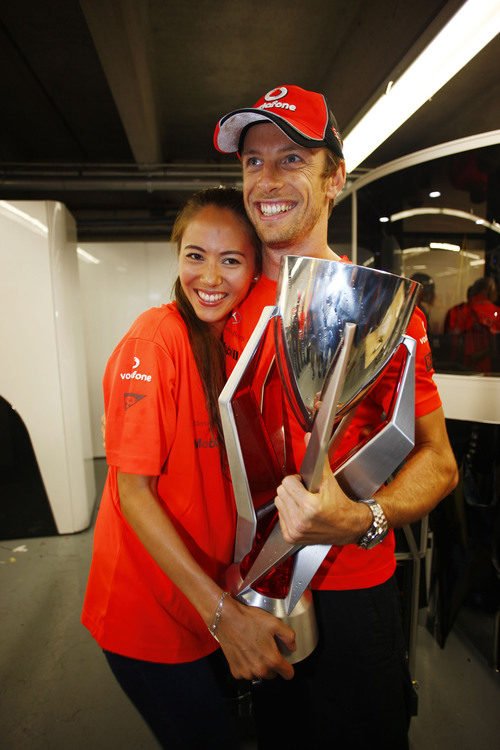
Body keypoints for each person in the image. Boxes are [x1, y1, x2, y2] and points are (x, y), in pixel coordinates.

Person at [213, 85, 459, 748]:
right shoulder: (216, 303)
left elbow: (438, 460)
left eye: (290, 158)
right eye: (252, 161)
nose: (266, 179)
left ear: (335, 179)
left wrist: (363, 517)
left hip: (354, 595)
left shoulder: (385, 312)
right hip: (249, 593)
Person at [81, 187, 297, 750]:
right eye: (195, 255)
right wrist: (224, 614)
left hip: (196, 602)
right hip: (147, 614)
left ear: (254, 270)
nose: (210, 276)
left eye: (231, 260)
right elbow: (133, 493)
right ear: (177, 256)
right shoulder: (155, 341)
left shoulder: (222, 341)